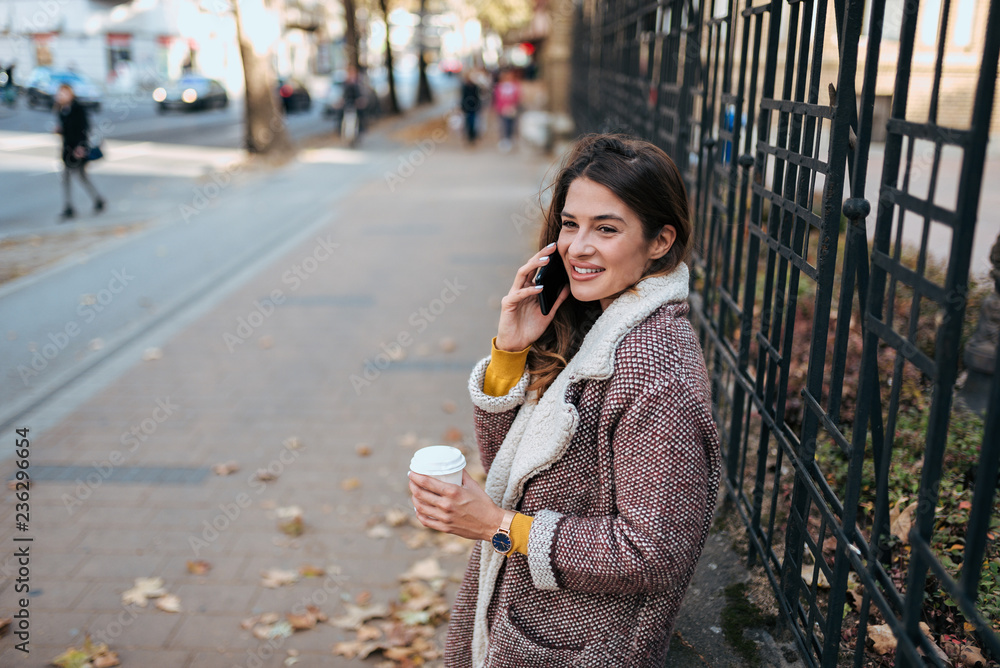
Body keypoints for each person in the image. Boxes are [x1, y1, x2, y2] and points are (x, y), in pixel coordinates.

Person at [408, 133, 722, 666]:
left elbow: (652, 553)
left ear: (660, 241)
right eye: (571, 224)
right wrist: (511, 351)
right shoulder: (591, 321)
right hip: (529, 618)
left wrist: (498, 528)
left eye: (606, 228)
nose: (578, 247)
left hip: (584, 645)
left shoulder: (657, 370)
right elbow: (510, 471)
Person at [54, 83, 105, 220]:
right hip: (67, 149)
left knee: (78, 177)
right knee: (72, 177)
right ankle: (92, 201)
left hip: (78, 149)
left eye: (64, 93)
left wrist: (81, 147)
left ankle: (73, 206)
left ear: (70, 94)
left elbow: (84, 128)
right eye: (60, 93)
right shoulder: (61, 109)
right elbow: (67, 129)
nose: (61, 96)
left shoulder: (78, 108)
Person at [492, 69, 520, 152]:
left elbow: (517, 97)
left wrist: (513, 105)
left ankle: (510, 138)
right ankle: (504, 139)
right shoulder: (499, 86)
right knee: (503, 124)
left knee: (511, 124)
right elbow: (497, 98)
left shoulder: (514, 86)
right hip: (502, 108)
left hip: (512, 108)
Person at [459, 71, 482, 145]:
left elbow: (477, 97)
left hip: (473, 107)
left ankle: (472, 136)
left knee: (472, 122)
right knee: (468, 122)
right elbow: (463, 97)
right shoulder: (464, 86)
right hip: (467, 107)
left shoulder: (475, 87)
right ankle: (470, 136)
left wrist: (478, 105)